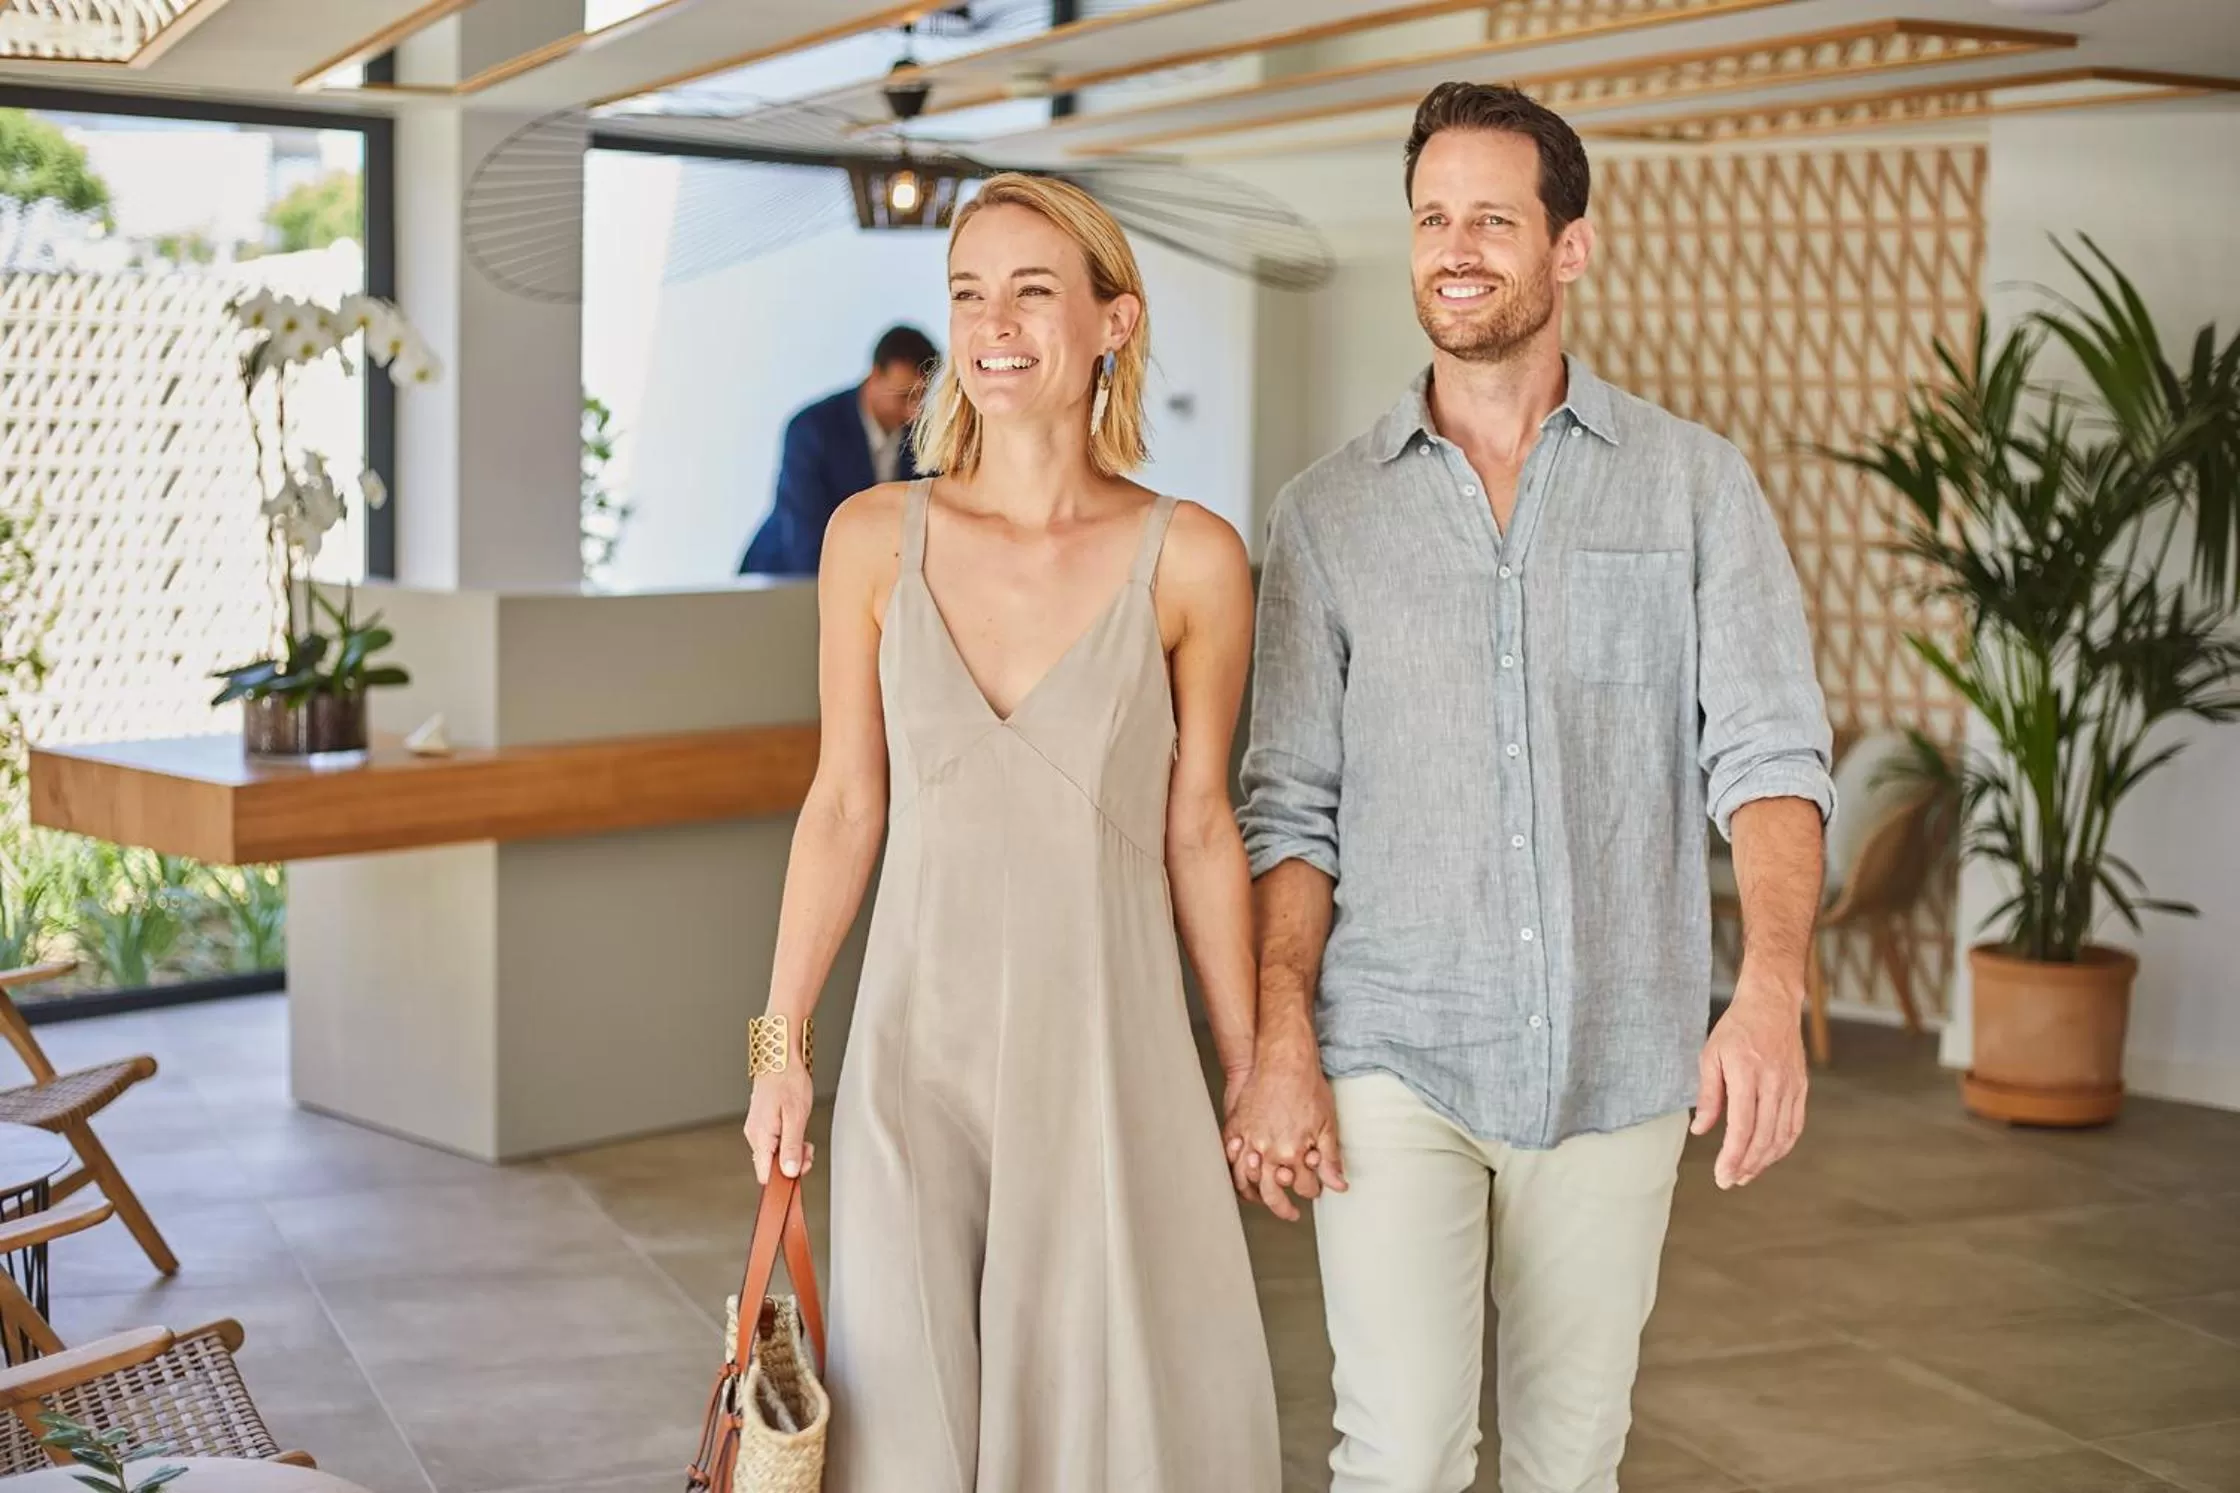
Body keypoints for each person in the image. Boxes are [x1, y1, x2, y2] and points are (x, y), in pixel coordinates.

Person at [1227, 82, 1835, 1493]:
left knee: (1572, 1456)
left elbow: (1768, 753)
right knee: (1401, 1449)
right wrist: (1279, 1041)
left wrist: (1768, 988)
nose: (1457, 247)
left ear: (1570, 248)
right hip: (1393, 1047)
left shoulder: (1694, 488)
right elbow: (1290, 807)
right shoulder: (1327, 515)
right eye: (1434, 217)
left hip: (1620, 1049)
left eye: (1494, 218)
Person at [741, 172, 1281, 1491]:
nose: (993, 324)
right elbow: (842, 804)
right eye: (968, 293)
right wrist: (780, 1045)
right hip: (909, 1062)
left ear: (1113, 322)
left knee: (1108, 1416)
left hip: (1109, 1052)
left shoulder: (1194, 557)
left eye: (1033, 290)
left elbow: (1201, 828)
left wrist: (1253, 1061)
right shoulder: (874, 539)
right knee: (909, 1423)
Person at [737, 324, 937, 576]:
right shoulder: (811, 430)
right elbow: (806, 536)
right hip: (785, 578)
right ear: (874, 377)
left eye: (922, 396)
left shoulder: (924, 436)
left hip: (867, 585)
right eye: (905, 396)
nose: (914, 411)